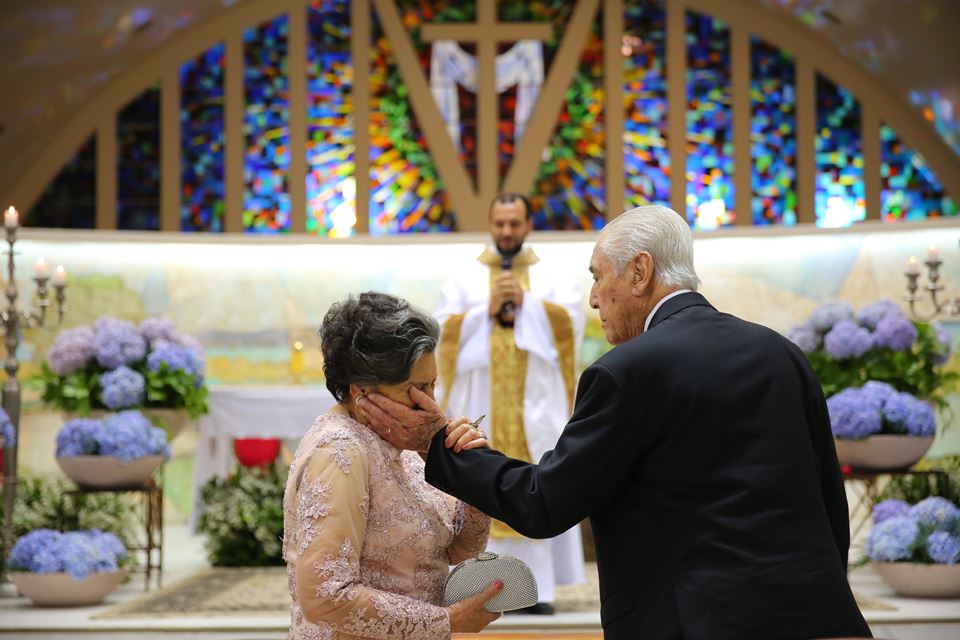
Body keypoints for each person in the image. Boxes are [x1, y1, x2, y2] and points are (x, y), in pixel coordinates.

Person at [356, 207, 873, 640]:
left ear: (640, 271)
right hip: (819, 617)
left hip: (694, 623)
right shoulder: (783, 354)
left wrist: (437, 443)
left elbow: (544, 503)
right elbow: (829, 499)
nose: (593, 298)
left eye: (599, 276)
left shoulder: (626, 372)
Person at [283, 292, 503, 639]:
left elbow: (462, 549)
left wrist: (467, 468)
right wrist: (447, 622)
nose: (429, 403)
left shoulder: (404, 440)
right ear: (362, 390)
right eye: (415, 389)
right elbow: (325, 597)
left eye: (432, 385)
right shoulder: (339, 451)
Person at [433, 192, 586, 614]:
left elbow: (571, 322)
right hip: (480, 401)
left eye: (514, 224)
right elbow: (441, 331)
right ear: (490, 224)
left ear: (527, 225)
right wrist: (485, 310)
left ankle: (540, 591)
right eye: (499, 224)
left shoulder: (551, 274)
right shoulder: (464, 277)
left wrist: (527, 305)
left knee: (538, 478)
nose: (506, 232)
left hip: (534, 405)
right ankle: (479, 586)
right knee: (479, 480)